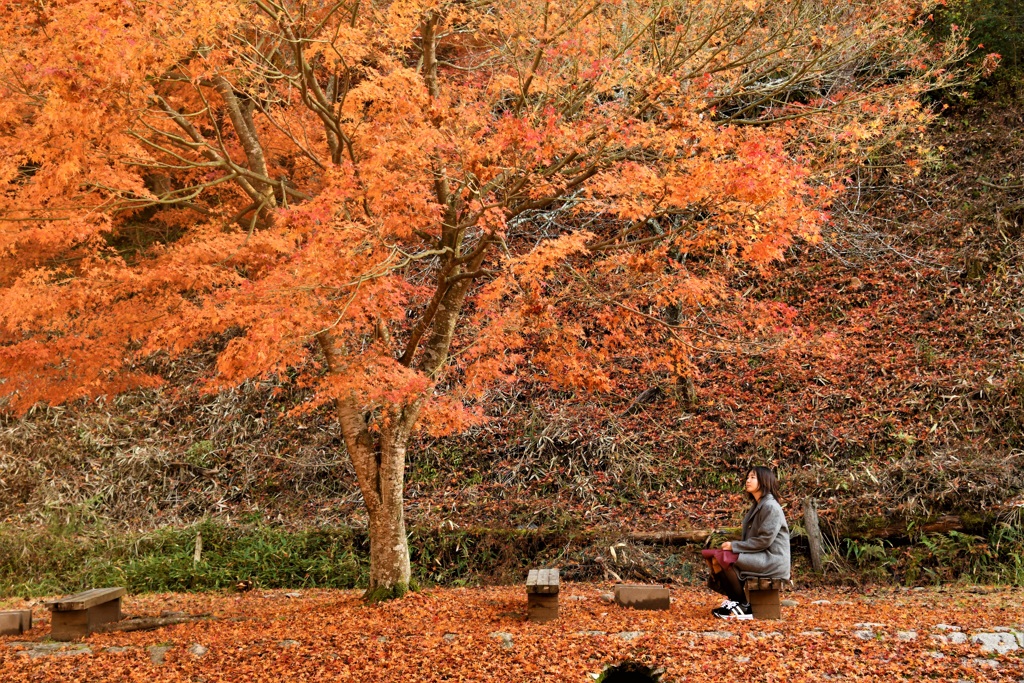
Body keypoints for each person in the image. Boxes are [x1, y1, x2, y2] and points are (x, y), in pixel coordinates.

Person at [702, 466, 790, 620]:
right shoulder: (758, 505)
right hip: (760, 555)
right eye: (748, 477)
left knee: (725, 558)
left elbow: (764, 541)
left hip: (771, 559)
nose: (747, 481)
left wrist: (735, 546)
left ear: (764, 481)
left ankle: (743, 606)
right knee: (716, 558)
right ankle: (736, 602)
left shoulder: (770, 507)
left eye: (753, 478)